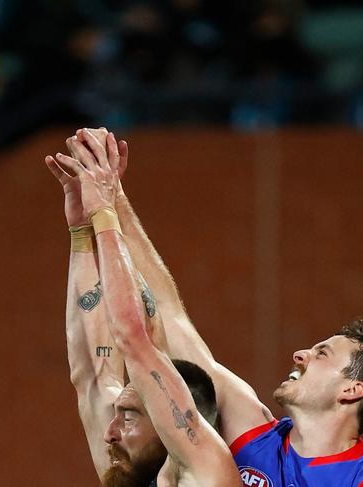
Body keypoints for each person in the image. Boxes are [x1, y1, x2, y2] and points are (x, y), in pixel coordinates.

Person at [49, 128, 363, 486]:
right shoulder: (252, 426)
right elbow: (170, 320)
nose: (300, 355)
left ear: (352, 390)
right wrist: (114, 197)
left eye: (322, 354)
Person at [45, 129, 241, 486]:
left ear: (173, 424)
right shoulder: (127, 466)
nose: (110, 432)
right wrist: (81, 233)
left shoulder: (209, 474)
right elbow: (90, 373)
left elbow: (139, 339)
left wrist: (106, 212)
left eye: (130, 417)